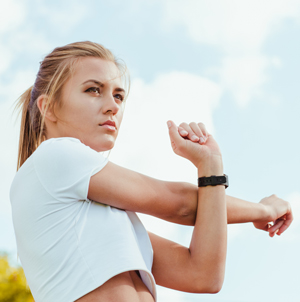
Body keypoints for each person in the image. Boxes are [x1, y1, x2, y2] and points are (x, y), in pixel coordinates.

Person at [10, 41, 292, 302]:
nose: (112, 106)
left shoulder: (106, 216)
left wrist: (211, 166)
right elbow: (179, 204)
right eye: (93, 89)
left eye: (119, 96)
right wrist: (262, 210)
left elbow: (203, 275)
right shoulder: (54, 156)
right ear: (49, 107)